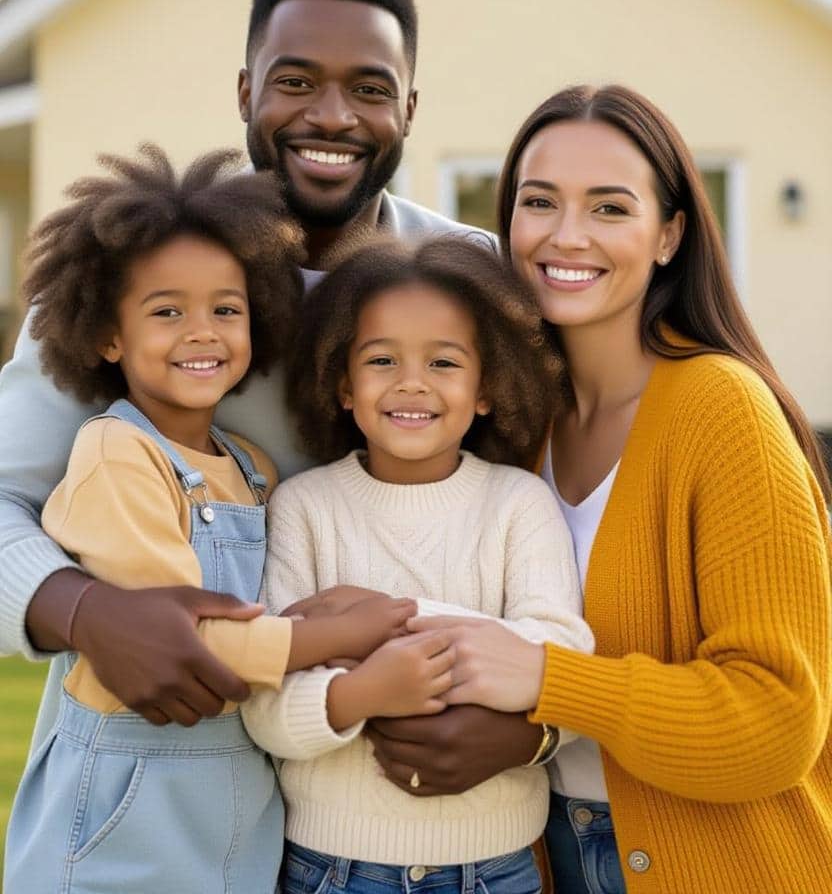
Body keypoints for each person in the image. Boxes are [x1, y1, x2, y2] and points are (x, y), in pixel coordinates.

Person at [0, 0, 503, 756]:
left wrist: (531, 728)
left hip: (387, 810)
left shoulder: (468, 280)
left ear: (409, 108)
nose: (332, 117)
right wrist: (82, 611)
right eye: (296, 82)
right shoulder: (136, 264)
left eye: (369, 89)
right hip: (161, 772)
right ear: (246, 91)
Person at [408, 85, 832, 894]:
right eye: (540, 202)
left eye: (609, 208)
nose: (567, 236)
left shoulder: (723, 409)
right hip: (540, 854)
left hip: (732, 866)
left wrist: (546, 680)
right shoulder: (512, 422)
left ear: (668, 234)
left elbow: (781, 720)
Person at [4, 145, 427, 894]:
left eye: (225, 310)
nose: (202, 332)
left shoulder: (250, 467)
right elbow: (189, 643)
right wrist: (345, 633)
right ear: (109, 336)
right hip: (124, 813)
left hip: (238, 817)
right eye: (167, 312)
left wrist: (327, 608)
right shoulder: (117, 454)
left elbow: (261, 606)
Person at [241, 236, 594, 890]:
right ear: (342, 385)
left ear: (486, 388)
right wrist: (365, 690)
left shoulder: (518, 504)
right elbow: (265, 705)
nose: (412, 382)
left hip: (494, 869)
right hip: (331, 869)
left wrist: (366, 627)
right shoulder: (305, 508)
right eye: (382, 359)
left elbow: (564, 666)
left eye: (443, 362)